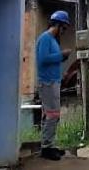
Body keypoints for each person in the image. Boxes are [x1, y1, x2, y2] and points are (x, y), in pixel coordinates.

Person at [36, 10, 72, 160]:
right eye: (63, 28)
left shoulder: (53, 41)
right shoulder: (45, 38)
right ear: (57, 25)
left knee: (53, 115)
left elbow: (52, 60)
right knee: (52, 114)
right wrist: (61, 55)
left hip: (53, 81)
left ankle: (50, 144)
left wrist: (61, 60)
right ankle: (46, 148)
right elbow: (43, 59)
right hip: (47, 82)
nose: (63, 32)